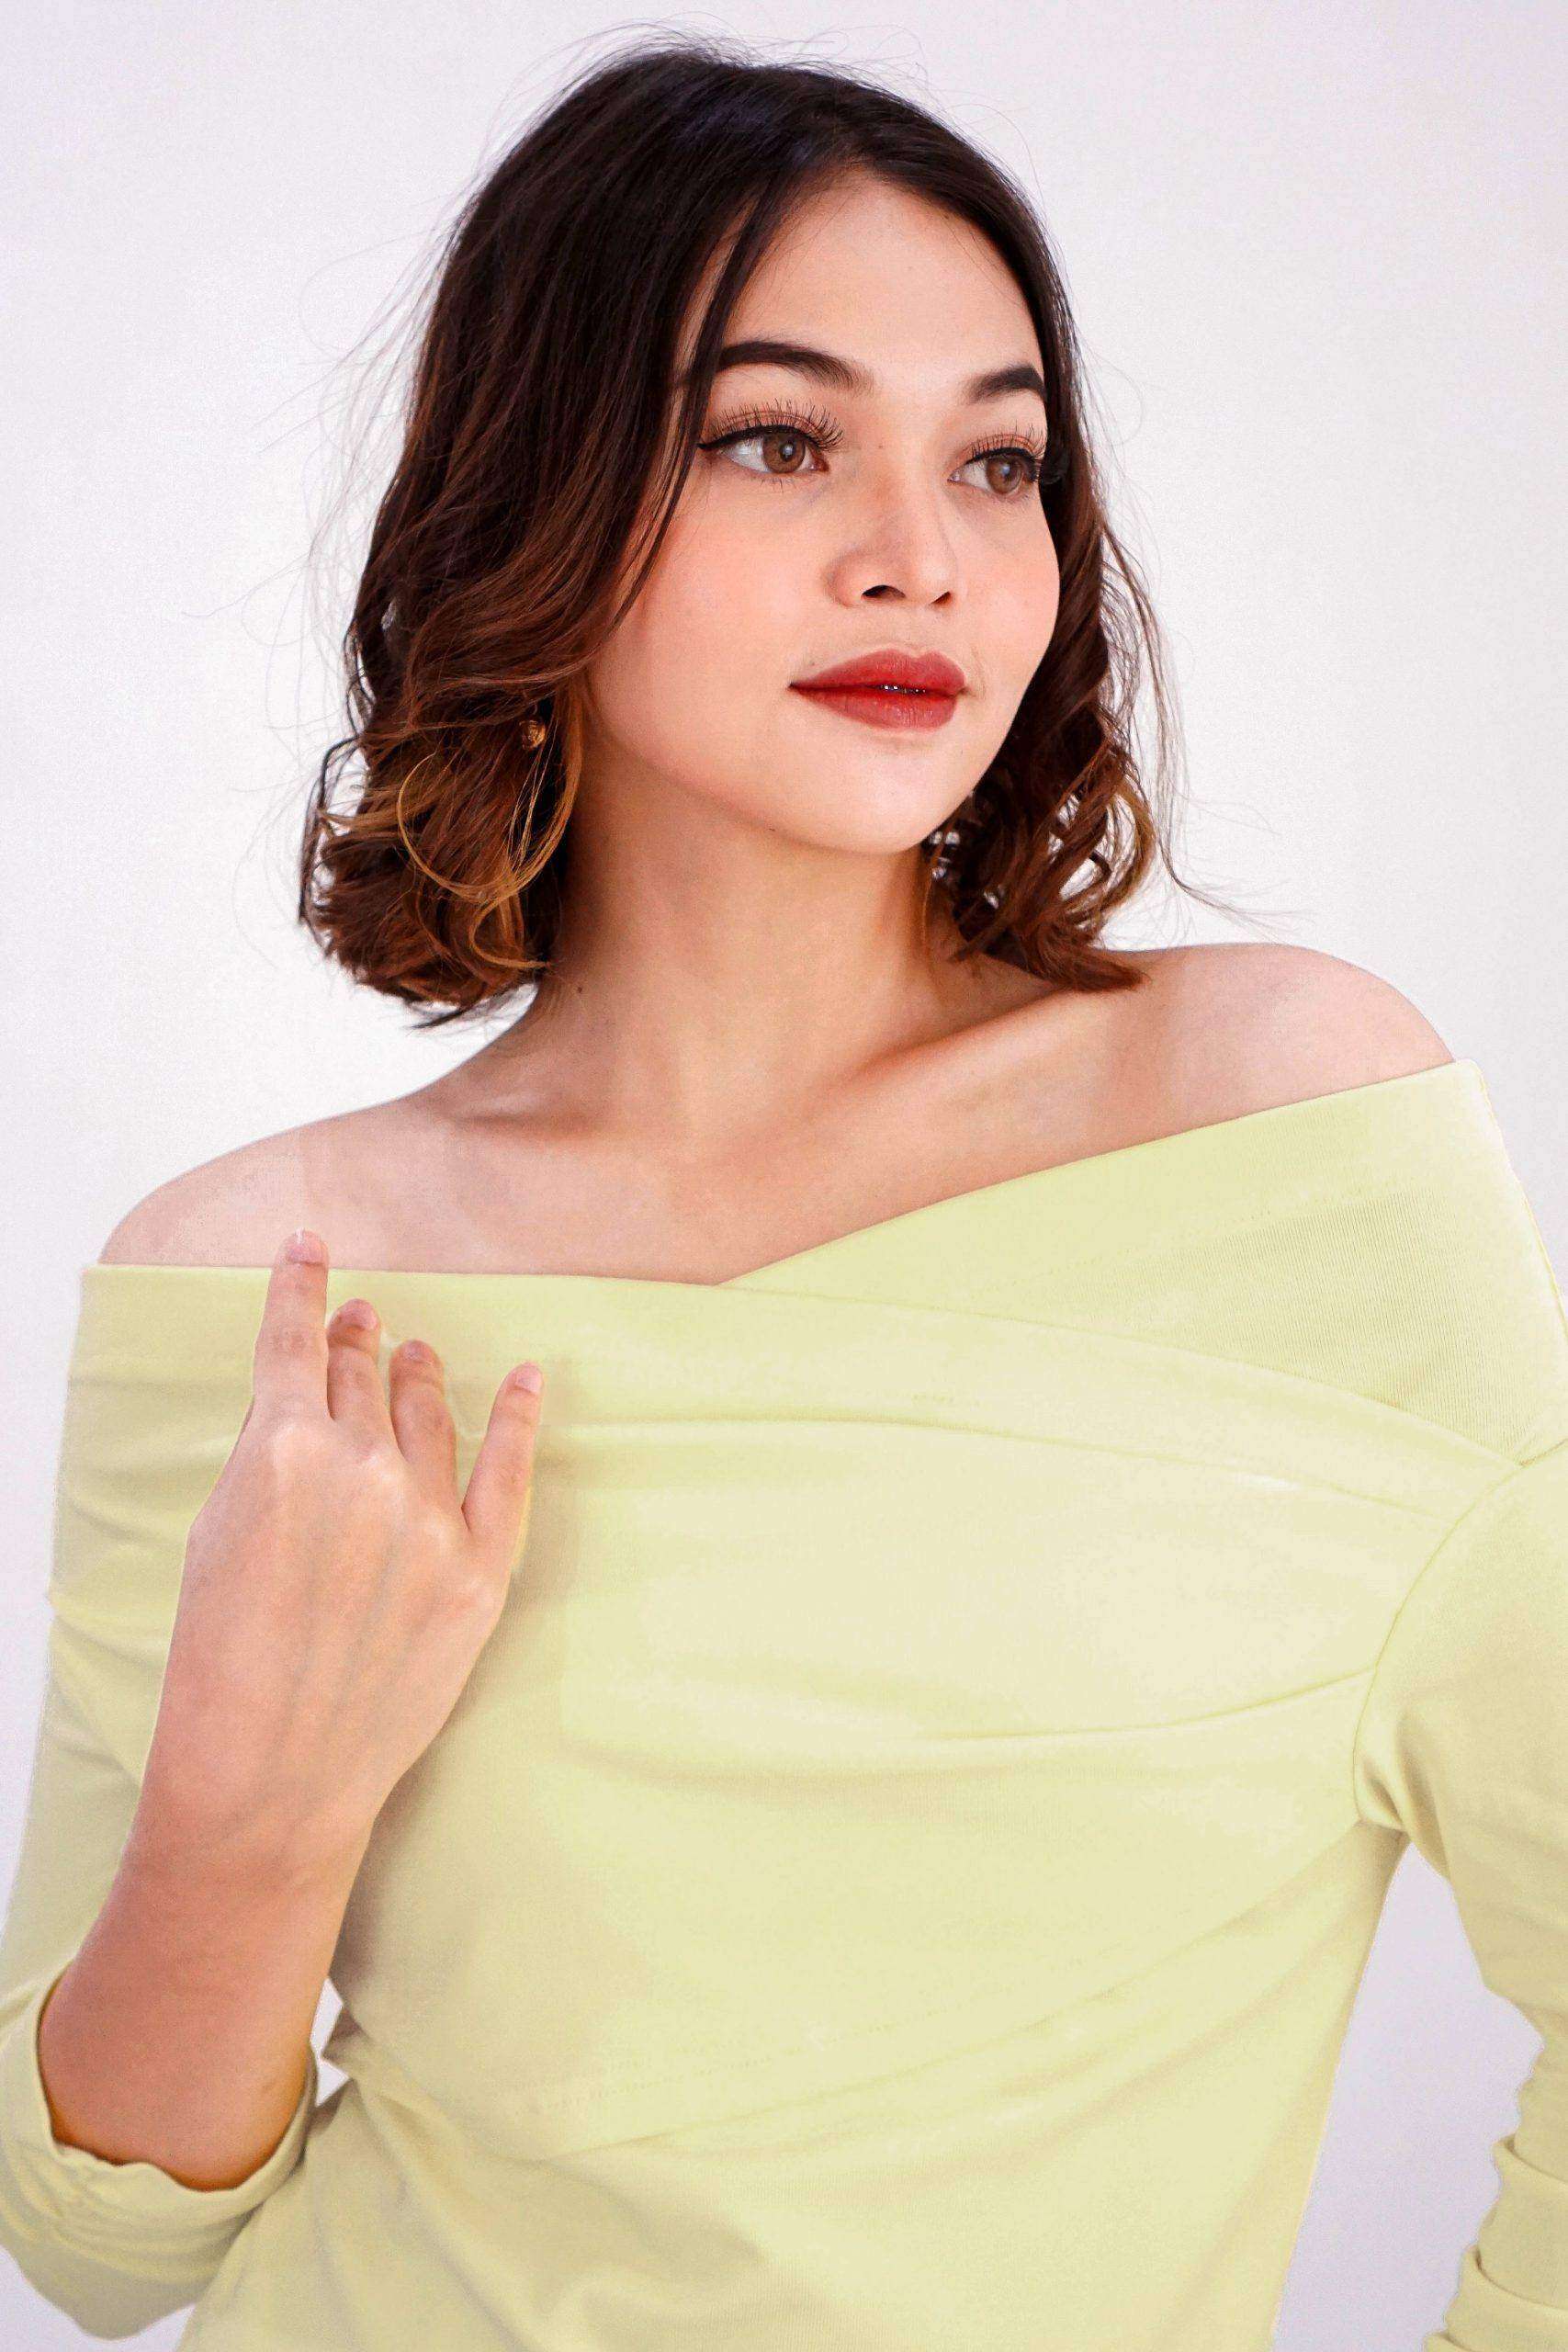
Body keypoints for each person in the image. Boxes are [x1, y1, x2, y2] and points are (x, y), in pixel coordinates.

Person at [3, 35, 1565, 2352]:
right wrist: (250, 1806)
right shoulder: (265, 1278)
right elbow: (102, 2240)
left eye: (997, 459)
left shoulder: (1284, 1131)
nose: (916, 552)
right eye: (774, 437)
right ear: (536, 496)